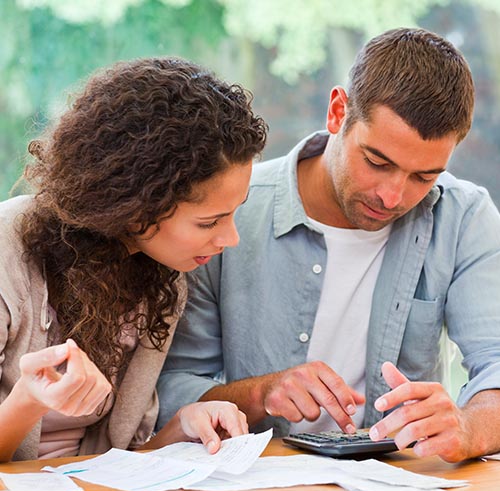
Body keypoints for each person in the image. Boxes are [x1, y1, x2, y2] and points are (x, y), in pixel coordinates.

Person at [157, 28, 500, 463]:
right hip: (251, 482)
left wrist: (471, 426)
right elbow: (170, 385)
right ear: (338, 112)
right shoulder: (231, 213)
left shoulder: (464, 217)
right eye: (377, 162)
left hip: (396, 482)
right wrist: (260, 393)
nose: (392, 196)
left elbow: (496, 362)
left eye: (424, 176)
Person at [0, 56, 267, 462]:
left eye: (234, 213)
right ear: (137, 205)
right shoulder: (8, 249)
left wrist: (183, 426)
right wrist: (28, 399)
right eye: (209, 221)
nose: (230, 238)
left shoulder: (161, 279)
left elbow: (117, 462)